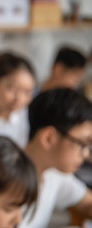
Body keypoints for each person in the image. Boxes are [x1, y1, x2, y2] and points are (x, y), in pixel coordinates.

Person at [20, 88, 92, 227]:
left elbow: (87, 203)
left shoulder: (54, 172)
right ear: (49, 138)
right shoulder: (5, 182)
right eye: (82, 143)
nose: (86, 154)